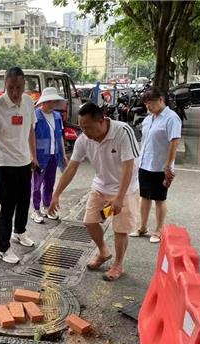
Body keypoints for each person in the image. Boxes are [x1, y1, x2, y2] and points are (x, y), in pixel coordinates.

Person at [49, 102, 140, 281]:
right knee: (90, 222)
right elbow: (72, 168)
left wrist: (120, 198)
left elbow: (129, 167)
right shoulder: (84, 140)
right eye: (82, 127)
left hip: (125, 187)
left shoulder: (123, 131)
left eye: (88, 127)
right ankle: (104, 252)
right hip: (100, 186)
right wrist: (56, 194)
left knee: (120, 229)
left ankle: (118, 265)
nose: (85, 132)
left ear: (101, 121)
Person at [0, 66, 37, 264]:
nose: (15, 92)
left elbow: (30, 129)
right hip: (5, 165)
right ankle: (2, 248)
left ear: (24, 85)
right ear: (5, 84)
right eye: (11, 87)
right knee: (8, 207)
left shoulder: (29, 102)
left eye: (19, 87)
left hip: (24, 163)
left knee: (24, 202)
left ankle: (19, 232)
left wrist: (34, 156)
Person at [129, 86, 181, 243]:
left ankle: (158, 230)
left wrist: (168, 165)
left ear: (161, 100)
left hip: (160, 165)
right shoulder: (148, 119)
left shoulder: (171, 118)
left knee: (159, 198)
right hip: (145, 163)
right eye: (146, 104)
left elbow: (174, 142)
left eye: (150, 103)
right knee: (144, 196)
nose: (148, 106)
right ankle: (142, 227)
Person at [31, 87, 69, 223]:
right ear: (43, 102)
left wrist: (63, 154)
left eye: (54, 101)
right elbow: (30, 138)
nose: (53, 104)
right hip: (40, 156)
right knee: (36, 185)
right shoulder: (35, 115)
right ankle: (36, 210)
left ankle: (47, 206)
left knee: (50, 183)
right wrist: (32, 157)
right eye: (50, 101)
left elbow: (60, 137)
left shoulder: (57, 116)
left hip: (54, 155)